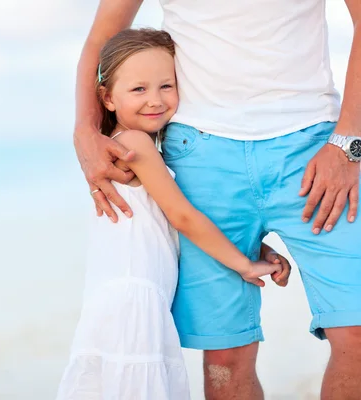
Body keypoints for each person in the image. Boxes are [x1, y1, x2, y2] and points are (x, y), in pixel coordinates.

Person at [73, 0, 361, 399]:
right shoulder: (140, 150)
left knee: (358, 332)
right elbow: (103, 33)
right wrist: (84, 132)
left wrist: (347, 143)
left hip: (314, 146)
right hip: (199, 155)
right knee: (225, 359)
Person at [56, 29, 291, 400]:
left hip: (125, 298)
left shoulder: (131, 148)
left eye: (167, 86)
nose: (155, 100)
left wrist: (255, 249)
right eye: (139, 89)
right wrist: (243, 266)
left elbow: (170, 225)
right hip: (134, 297)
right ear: (107, 98)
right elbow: (182, 216)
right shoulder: (133, 145)